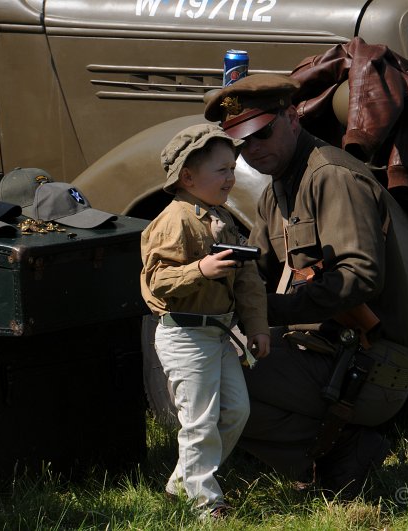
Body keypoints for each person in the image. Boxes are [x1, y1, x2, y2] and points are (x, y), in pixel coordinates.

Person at [203, 74, 408, 498]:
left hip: (372, 361)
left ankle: (345, 450)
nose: (253, 150)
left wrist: (271, 312)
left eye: (262, 133)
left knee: (216, 385)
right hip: (323, 350)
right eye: (242, 143)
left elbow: (359, 277)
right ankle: (319, 445)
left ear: (291, 117)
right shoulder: (279, 187)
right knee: (200, 365)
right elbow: (255, 270)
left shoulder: (333, 178)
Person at [140, 123, 271, 518]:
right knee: (198, 422)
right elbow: (155, 283)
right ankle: (204, 503)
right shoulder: (174, 221)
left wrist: (258, 326)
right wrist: (201, 269)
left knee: (235, 411)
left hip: (216, 333)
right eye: (222, 170)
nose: (231, 178)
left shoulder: (221, 217)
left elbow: (247, 278)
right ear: (188, 177)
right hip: (184, 335)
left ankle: (184, 481)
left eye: (233, 168)